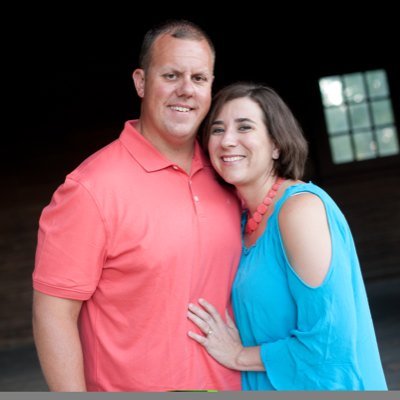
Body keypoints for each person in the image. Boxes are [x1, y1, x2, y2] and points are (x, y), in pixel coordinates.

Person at [32, 20, 243, 392]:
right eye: (171, 75)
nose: (186, 90)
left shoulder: (227, 175)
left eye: (199, 78)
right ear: (141, 82)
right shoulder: (90, 189)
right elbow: (54, 314)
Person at [187, 82, 388, 390]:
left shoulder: (299, 210)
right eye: (217, 130)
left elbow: (329, 344)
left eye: (244, 127)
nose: (227, 140)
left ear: (276, 145)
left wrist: (240, 356)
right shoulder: (242, 222)